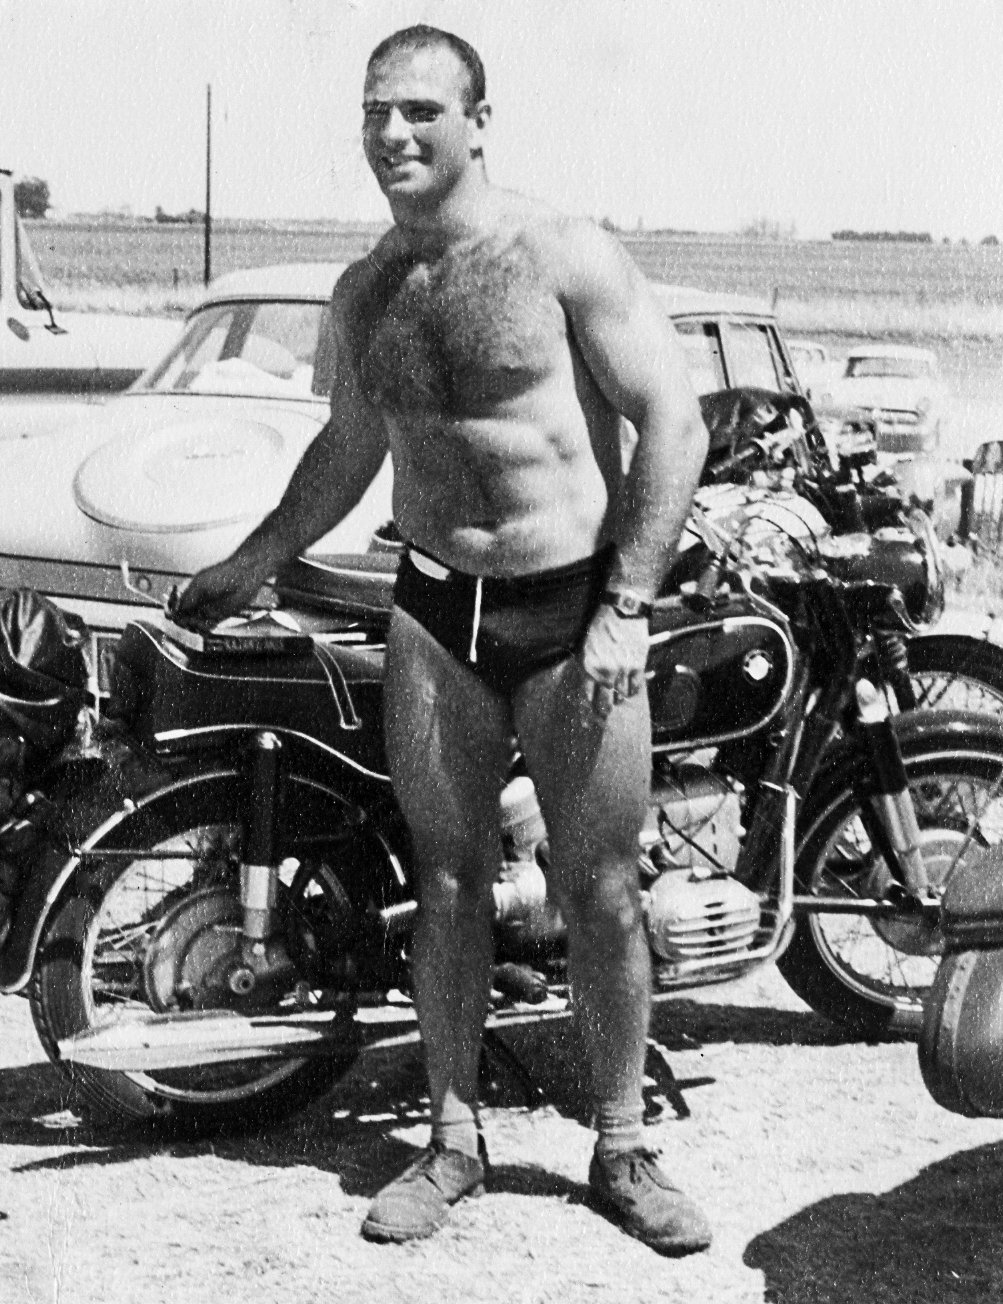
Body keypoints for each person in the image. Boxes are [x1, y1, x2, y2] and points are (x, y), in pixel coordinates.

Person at [177, 25, 712, 1256]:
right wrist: (254, 556)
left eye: (420, 109)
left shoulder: (561, 254)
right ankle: (454, 1136)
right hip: (436, 615)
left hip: (573, 612)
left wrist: (627, 606)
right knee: (450, 882)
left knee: (600, 890)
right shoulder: (367, 289)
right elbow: (348, 448)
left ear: (479, 122)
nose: (393, 133)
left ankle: (623, 1144)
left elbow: (673, 422)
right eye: (376, 111)